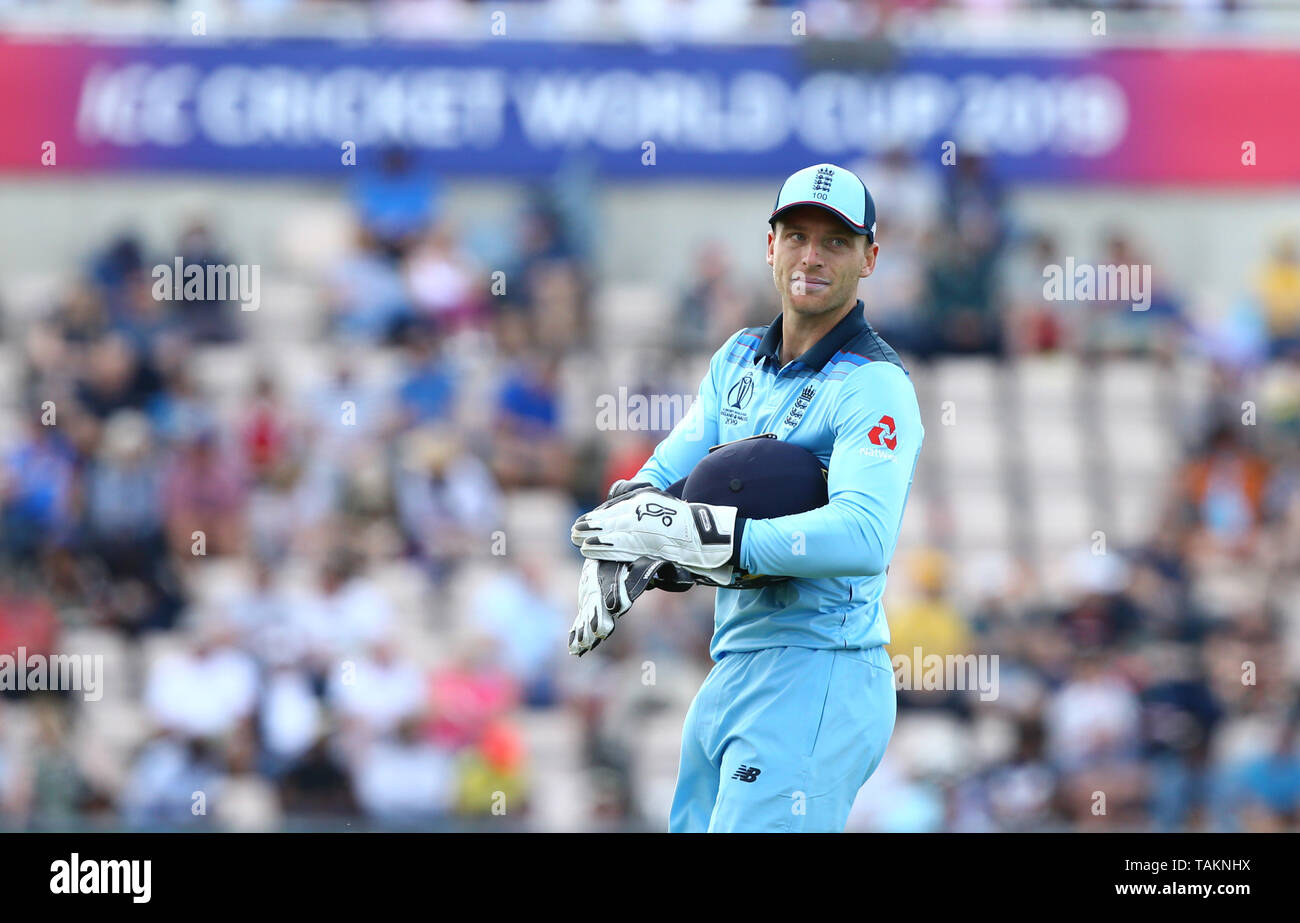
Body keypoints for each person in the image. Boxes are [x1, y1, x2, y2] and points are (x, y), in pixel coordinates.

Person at [569, 163, 925, 832]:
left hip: (820, 669)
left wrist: (722, 539)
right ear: (770, 246)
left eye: (836, 241)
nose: (811, 256)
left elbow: (864, 536)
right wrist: (622, 549)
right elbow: (655, 480)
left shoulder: (875, 384)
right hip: (734, 662)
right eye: (796, 236)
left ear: (870, 257)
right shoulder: (736, 360)